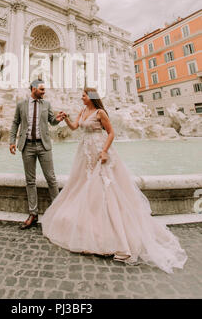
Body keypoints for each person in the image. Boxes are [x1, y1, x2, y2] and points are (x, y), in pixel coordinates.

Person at [41, 87, 187, 274]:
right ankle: (90, 227)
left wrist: (104, 151)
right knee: (84, 185)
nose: (81, 97)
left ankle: (118, 239)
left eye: (84, 95)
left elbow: (111, 133)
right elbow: (75, 127)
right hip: (84, 152)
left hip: (100, 151)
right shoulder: (83, 111)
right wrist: (66, 119)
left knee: (104, 187)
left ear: (91, 97)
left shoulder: (101, 112)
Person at [9, 80, 64, 230]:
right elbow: (15, 123)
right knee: (30, 181)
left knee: (51, 179)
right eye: (41, 89)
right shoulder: (21, 104)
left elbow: (52, 121)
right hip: (27, 146)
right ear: (33, 89)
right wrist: (12, 141)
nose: (44, 91)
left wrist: (57, 120)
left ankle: (57, 211)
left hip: (43, 145)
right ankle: (33, 214)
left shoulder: (46, 104)